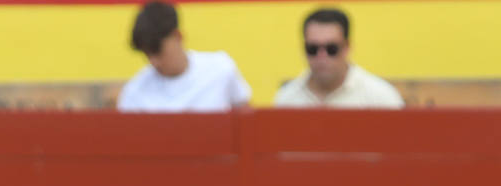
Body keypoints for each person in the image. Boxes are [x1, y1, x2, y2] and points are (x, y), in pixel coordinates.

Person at [116, 2, 250, 112]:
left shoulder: (221, 69)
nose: (154, 62)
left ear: (178, 36)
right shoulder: (135, 91)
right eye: (147, 54)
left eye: (158, 51)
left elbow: (246, 123)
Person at [274, 7, 404, 108]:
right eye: (312, 49)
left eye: (331, 49)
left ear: (347, 47)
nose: (322, 56)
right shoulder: (287, 98)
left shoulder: (380, 98)